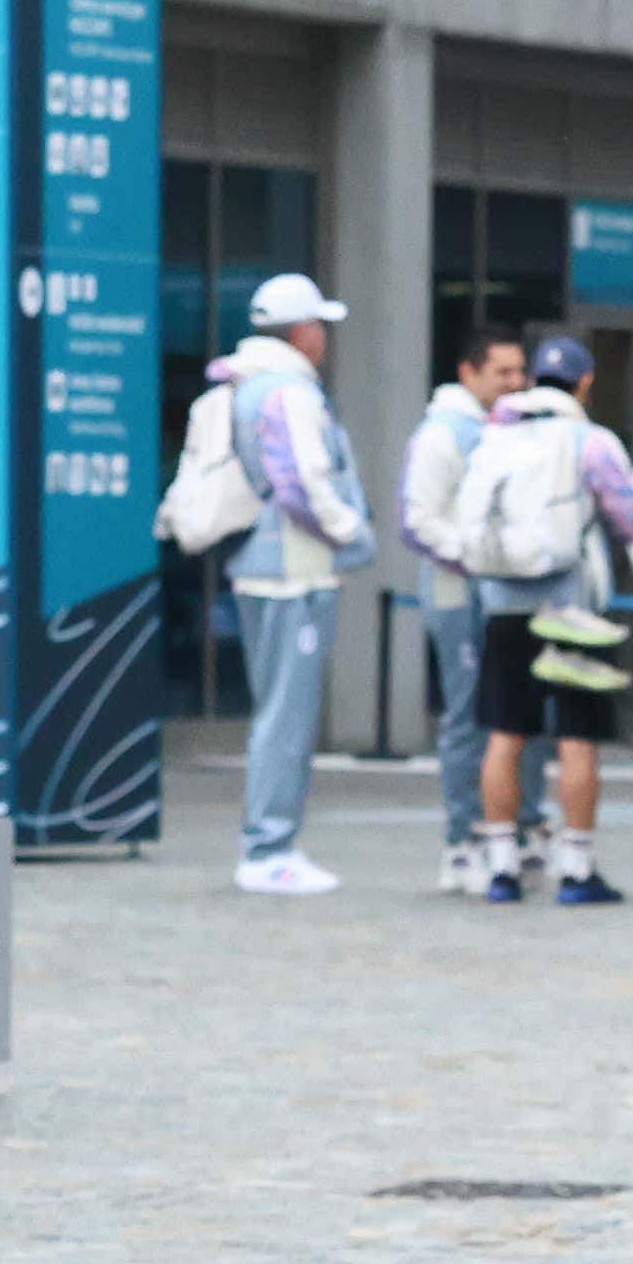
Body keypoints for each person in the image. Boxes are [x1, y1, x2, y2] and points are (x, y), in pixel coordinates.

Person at [452, 332, 633, 905]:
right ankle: (576, 869)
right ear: (586, 383)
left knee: (504, 736)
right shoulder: (590, 441)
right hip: (572, 608)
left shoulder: (495, 438)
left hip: (503, 604)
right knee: (577, 739)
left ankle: (500, 867)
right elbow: (631, 517)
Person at [213, 273, 372, 894]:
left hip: (258, 564)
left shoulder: (244, 386)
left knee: (275, 709)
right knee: (288, 712)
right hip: (294, 571)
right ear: (304, 331)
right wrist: (353, 534)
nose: (324, 339)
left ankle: (268, 842)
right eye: (321, 327)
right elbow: (304, 483)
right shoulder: (291, 394)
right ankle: (269, 848)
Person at [401, 325, 547, 890]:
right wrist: (477, 556)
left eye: (520, 372)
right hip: (457, 590)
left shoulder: (520, 430)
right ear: (469, 373)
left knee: (519, 714)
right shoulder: (443, 433)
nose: (514, 383)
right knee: (468, 715)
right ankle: (462, 839)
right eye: (501, 373)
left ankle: (520, 827)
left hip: (508, 591)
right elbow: (418, 519)